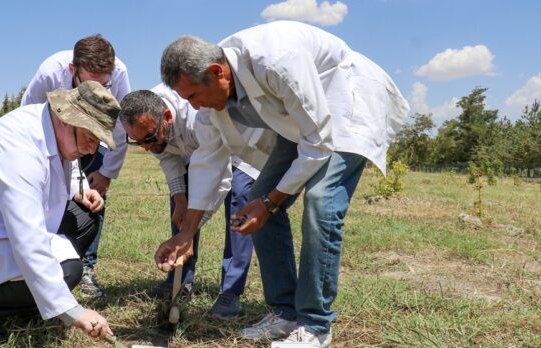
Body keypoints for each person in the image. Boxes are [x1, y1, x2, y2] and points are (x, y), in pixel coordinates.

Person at [155, 21, 410, 347]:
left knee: (321, 201)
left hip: (346, 103)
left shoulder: (275, 59)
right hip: (301, 122)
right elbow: (208, 163)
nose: (193, 106)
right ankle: (286, 311)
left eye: (193, 95)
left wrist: (272, 203)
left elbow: (318, 143)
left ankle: (316, 324)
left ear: (219, 72)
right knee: (255, 199)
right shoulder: (213, 97)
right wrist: (186, 234)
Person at [0, 81, 121, 343]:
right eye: (90, 138)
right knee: (68, 271)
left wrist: (80, 189)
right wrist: (73, 311)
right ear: (67, 120)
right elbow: (28, 240)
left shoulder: (51, 126)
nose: (92, 150)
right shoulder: (18, 151)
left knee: (84, 219)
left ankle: (24, 299)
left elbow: (70, 167)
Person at [119, 85, 276, 319]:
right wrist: (180, 200)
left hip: (237, 152)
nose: (145, 147)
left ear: (168, 118)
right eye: (137, 141)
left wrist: (190, 230)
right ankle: (180, 280)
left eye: (149, 139)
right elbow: (167, 157)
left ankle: (230, 291)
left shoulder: (196, 117)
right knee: (180, 208)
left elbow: (219, 179)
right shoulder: (147, 122)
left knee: (239, 197)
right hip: (195, 152)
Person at [21, 34, 132, 298]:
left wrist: (107, 174)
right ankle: (41, 254)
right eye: (91, 83)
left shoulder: (120, 73)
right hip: (53, 140)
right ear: (73, 70)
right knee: (47, 194)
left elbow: (120, 126)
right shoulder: (50, 71)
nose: (99, 90)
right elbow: (27, 114)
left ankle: (85, 266)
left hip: (95, 137)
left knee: (91, 198)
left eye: (104, 84)